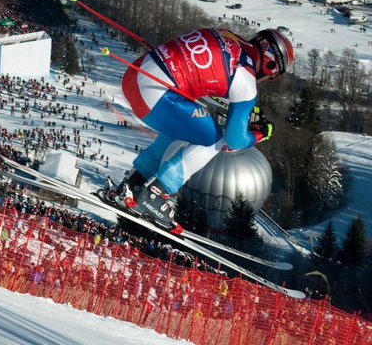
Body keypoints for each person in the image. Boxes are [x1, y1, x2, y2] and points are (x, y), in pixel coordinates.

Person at [103, 28, 294, 233]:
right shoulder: (246, 80)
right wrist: (261, 133)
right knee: (215, 139)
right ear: (270, 65)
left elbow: (209, 77)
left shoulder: (226, 35)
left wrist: (243, 110)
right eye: (272, 77)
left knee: (184, 128)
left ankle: (133, 184)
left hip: (134, 75)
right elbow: (235, 140)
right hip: (155, 97)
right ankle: (158, 194)